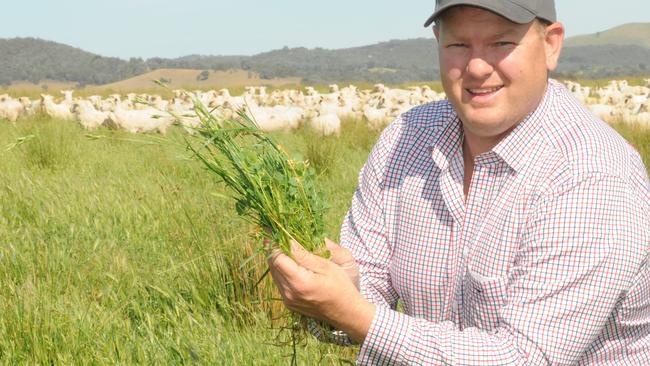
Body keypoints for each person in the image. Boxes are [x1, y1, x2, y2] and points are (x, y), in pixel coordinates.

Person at [268, 0, 650, 364]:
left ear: (550, 45)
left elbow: (524, 358)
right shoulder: (406, 140)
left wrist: (356, 315)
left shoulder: (591, 175)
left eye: (502, 42)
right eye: (458, 44)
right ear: (438, 43)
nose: (477, 67)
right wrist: (337, 289)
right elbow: (365, 287)